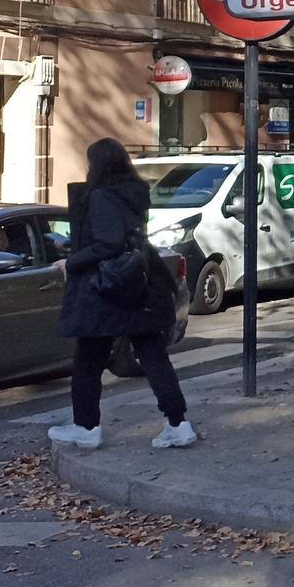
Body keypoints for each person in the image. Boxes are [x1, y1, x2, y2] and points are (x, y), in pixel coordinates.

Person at [49, 139, 194, 451]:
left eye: (90, 163)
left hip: (107, 289)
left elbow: (108, 244)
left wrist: (72, 260)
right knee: (154, 355)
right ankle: (178, 423)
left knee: (88, 361)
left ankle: (86, 427)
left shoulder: (101, 196)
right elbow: (122, 239)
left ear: (98, 165)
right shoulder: (133, 195)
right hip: (138, 283)